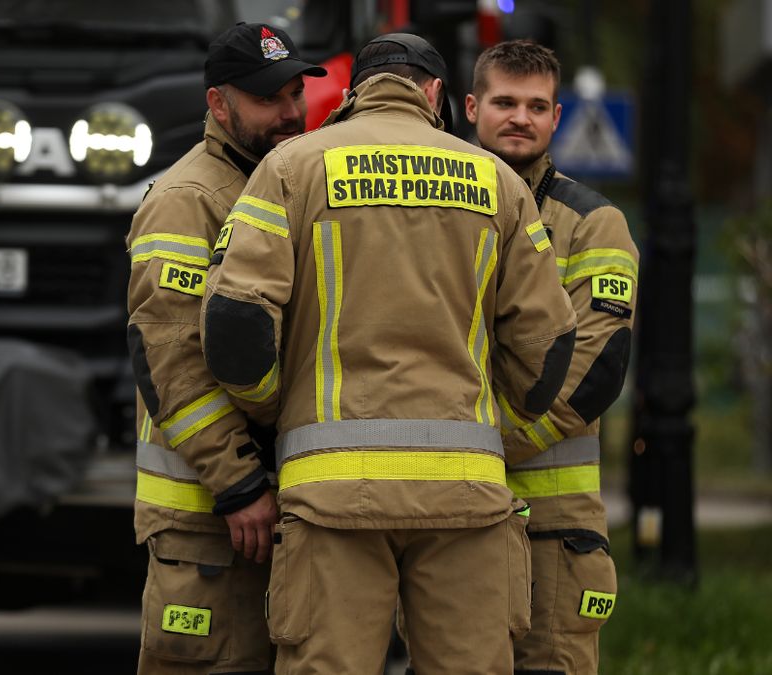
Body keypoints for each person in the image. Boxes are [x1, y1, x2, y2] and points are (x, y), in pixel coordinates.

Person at [200, 33, 579, 673]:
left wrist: (278, 407)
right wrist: (488, 429)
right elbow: (549, 344)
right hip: (467, 499)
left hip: (332, 495)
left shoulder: (293, 168)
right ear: (435, 96)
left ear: (353, 95)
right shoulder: (497, 182)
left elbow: (235, 326)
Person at [125, 22, 325, 675]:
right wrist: (237, 483)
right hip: (207, 518)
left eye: (295, 92)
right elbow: (168, 357)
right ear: (219, 105)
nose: (290, 112)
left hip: (279, 512)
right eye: (269, 97)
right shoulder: (188, 200)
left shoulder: (284, 183)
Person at [466, 39, 638, 674]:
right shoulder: (435, 213)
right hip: (450, 520)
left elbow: (596, 368)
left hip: (551, 530)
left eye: (536, 105)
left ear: (558, 117)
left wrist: (483, 450)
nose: (520, 118)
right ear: (470, 107)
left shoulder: (593, 224)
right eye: (504, 102)